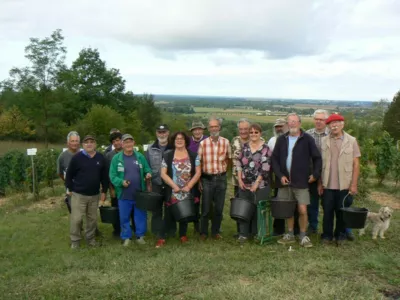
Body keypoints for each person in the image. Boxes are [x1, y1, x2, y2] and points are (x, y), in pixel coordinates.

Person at [271, 113, 321, 248]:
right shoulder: (282, 139)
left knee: (302, 210)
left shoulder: (307, 139)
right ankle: (290, 234)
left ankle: (303, 235)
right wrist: (280, 175)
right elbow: (274, 159)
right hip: (285, 181)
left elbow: (317, 158)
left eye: (295, 121)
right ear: (287, 124)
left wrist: (315, 175)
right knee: (287, 210)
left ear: (299, 123)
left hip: (301, 182)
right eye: (290, 121)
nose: (292, 123)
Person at [319, 114, 361, 246]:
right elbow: (320, 164)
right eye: (331, 123)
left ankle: (340, 236)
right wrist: (320, 183)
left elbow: (356, 164)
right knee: (327, 213)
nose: (334, 125)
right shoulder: (324, 141)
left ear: (343, 124)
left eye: (337, 122)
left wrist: (353, 184)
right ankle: (327, 236)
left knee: (342, 212)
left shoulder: (352, 141)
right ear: (328, 126)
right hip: (327, 185)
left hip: (345, 186)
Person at [156, 132, 201, 247]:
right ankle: (162, 237)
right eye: (177, 139)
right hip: (172, 190)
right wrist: (174, 186)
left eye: (181, 139)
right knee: (168, 214)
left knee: (184, 212)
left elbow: (198, 173)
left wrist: (189, 186)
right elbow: (163, 173)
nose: (179, 140)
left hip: (187, 190)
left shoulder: (194, 155)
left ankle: (183, 235)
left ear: (186, 141)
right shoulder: (167, 155)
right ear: (174, 141)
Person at [65, 135, 108, 249]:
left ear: (95, 144)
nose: (89, 144)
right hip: (79, 194)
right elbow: (69, 175)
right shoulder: (77, 158)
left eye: (91, 142)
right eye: (86, 142)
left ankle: (90, 239)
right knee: (77, 219)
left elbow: (104, 176)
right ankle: (75, 240)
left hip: (94, 195)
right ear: (83, 145)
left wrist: (104, 190)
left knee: (92, 219)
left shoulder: (100, 157)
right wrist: (70, 188)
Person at [109, 134, 152, 246]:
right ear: (122, 144)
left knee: (140, 215)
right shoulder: (116, 158)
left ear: (134, 143)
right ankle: (126, 237)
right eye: (126, 142)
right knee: (124, 216)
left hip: (139, 193)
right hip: (124, 194)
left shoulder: (140, 156)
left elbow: (147, 169)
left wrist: (148, 174)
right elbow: (112, 176)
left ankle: (140, 236)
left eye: (130, 142)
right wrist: (121, 182)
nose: (128, 144)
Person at [236, 123, 272, 243]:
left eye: (256, 132)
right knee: (244, 209)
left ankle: (257, 233)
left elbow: (266, 168)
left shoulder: (266, 148)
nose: (253, 134)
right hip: (245, 184)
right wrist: (239, 180)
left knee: (257, 210)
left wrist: (257, 183)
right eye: (251, 132)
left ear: (260, 133)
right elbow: (239, 164)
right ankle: (243, 234)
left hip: (261, 185)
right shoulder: (245, 147)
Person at [198, 117, 231, 239]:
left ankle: (215, 231)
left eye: (216, 126)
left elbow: (229, 159)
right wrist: (200, 180)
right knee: (206, 208)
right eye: (211, 127)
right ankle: (203, 232)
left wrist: (224, 173)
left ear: (219, 127)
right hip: (207, 179)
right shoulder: (203, 144)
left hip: (221, 178)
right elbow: (199, 163)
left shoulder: (226, 142)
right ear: (208, 128)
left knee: (219, 207)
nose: (214, 129)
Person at [105, 131, 136, 237]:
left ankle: (134, 227)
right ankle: (117, 229)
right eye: (113, 141)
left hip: (130, 188)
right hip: (116, 187)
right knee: (117, 209)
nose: (116, 143)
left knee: (131, 209)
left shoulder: (131, 153)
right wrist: (111, 189)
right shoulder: (109, 155)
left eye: (117, 140)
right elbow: (108, 174)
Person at [145, 124, 173, 237]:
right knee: (156, 209)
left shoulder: (173, 147)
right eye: (160, 132)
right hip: (155, 182)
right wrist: (148, 182)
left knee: (170, 208)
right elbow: (146, 165)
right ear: (156, 133)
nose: (162, 134)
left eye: (164, 132)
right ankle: (156, 231)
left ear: (168, 133)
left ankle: (169, 230)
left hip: (170, 183)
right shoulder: (150, 148)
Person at [306, 109, 330, 234]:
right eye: (317, 119)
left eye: (321, 119)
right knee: (312, 203)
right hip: (313, 174)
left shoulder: (332, 134)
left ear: (326, 121)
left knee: (329, 204)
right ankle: (313, 226)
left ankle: (331, 228)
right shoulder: (307, 134)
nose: (319, 122)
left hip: (328, 175)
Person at [267, 118, 288, 236]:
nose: (279, 128)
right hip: (277, 177)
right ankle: (278, 228)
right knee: (279, 201)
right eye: (277, 126)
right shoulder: (272, 140)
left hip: (293, 176)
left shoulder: (293, 138)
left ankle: (294, 229)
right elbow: (269, 161)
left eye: (281, 126)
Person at [231, 118, 251, 237]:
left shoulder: (258, 140)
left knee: (251, 204)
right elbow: (230, 159)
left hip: (252, 181)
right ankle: (240, 232)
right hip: (237, 180)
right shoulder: (234, 141)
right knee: (239, 205)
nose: (243, 131)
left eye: (246, 129)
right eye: (241, 129)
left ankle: (251, 231)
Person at [187, 120, 208, 233]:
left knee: (207, 202)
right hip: (192, 175)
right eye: (195, 129)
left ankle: (209, 225)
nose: (197, 131)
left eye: (199, 129)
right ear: (192, 131)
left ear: (203, 130)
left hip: (206, 174)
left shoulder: (207, 141)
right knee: (195, 200)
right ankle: (196, 224)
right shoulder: (188, 142)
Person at [57, 131, 80, 213]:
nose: (74, 143)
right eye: (72, 141)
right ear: (68, 143)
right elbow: (60, 173)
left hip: (84, 188)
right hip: (71, 190)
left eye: (76, 141)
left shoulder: (84, 154)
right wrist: (68, 181)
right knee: (74, 212)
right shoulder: (62, 156)